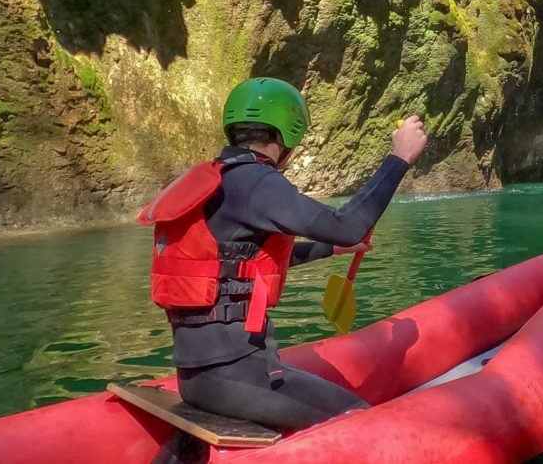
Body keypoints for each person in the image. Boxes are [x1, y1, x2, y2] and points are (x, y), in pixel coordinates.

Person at [138, 76, 428, 433]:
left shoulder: (220, 179)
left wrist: (334, 247)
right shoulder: (257, 181)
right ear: (286, 136)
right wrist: (399, 158)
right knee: (363, 421)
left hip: (201, 375)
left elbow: (246, 264)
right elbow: (347, 224)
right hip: (237, 376)